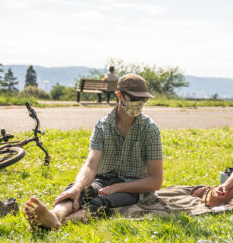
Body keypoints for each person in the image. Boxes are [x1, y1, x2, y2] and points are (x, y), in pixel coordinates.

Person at [25, 74, 163, 230]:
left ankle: (59, 223)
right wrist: (78, 187)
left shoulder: (150, 129)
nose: (139, 103)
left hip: (133, 187)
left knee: (100, 202)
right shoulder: (103, 126)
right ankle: (55, 215)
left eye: (143, 99)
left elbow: (155, 181)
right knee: (80, 191)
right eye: (133, 98)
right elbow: (91, 165)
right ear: (119, 96)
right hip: (103, 180)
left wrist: (119, 187)